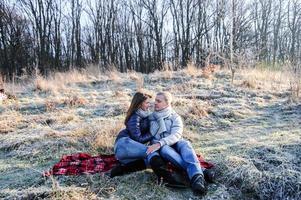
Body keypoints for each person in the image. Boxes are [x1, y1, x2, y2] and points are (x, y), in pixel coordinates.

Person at [110, 92, 186, 187]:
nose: (150, 104)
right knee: (151, 151)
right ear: (139, 104)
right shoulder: (135, 117)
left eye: (150, 102)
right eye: (147, 103)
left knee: (149, 161)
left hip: (130, 153)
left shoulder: (145, 115)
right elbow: (138, 139)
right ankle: (168, 179)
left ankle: (121, 169)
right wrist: (152, 133)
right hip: (124, 144)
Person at [147, 91, 208, 194]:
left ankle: (197, 180)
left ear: (167, 103)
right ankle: (199, 171)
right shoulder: (150, 118)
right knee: (165, 149)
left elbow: (176, 135)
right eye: (155, 100)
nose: (155, 103)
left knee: (185, 143)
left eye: (158, 101)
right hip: (162, 148)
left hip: (174, 142)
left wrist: (160, 143)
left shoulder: (175, 117)